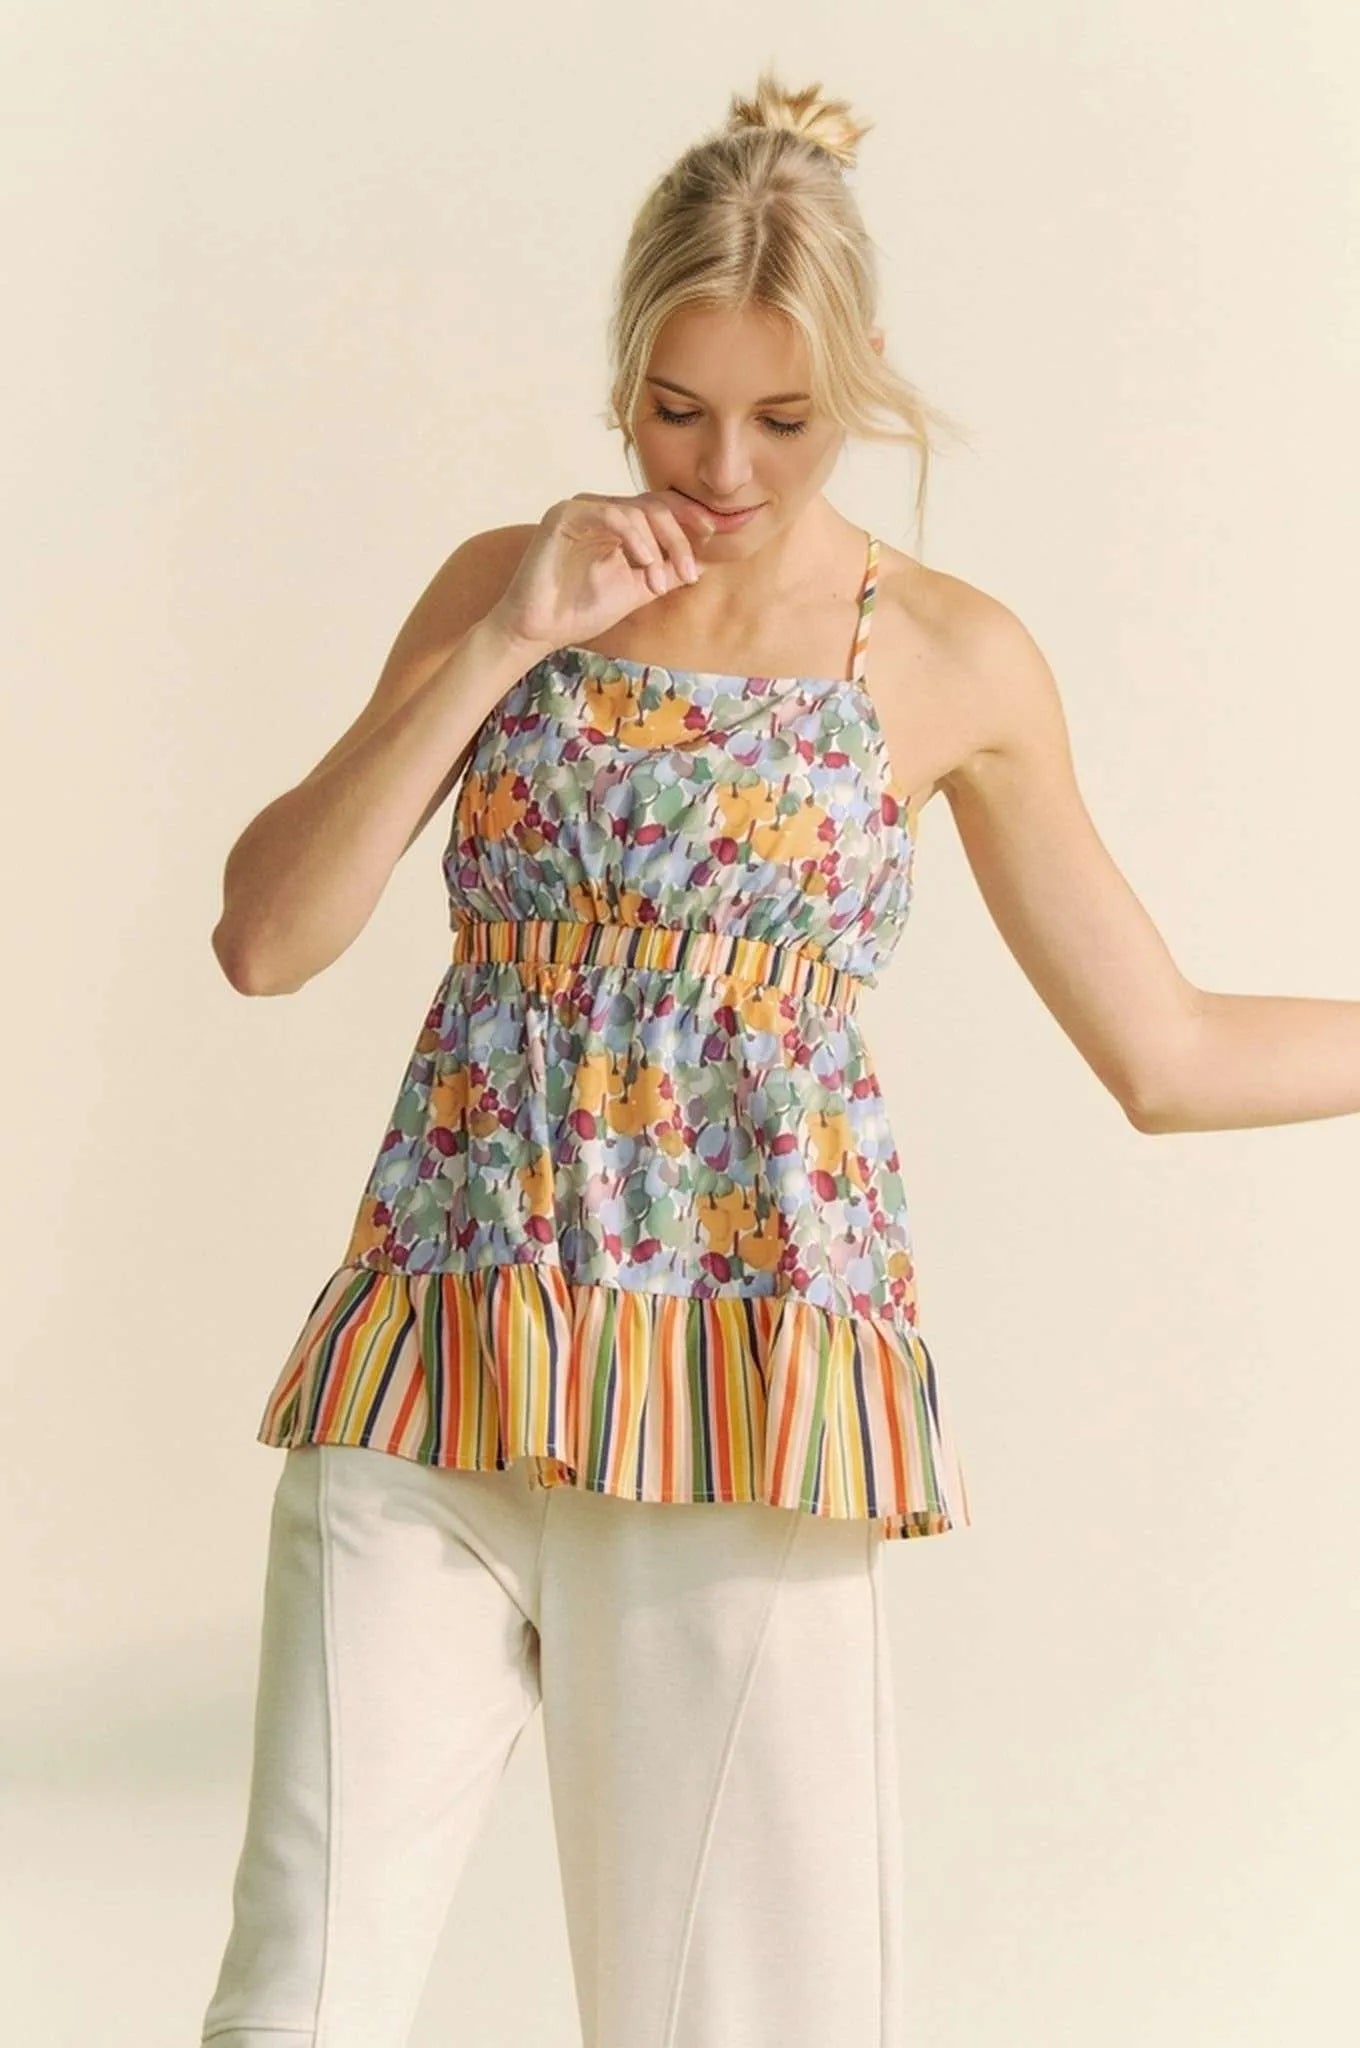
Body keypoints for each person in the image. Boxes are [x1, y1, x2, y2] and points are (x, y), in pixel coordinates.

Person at [198, 63, 1360, 2048]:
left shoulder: (949, 659)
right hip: (438, 1354)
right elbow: (265, 937)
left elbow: (1161, 1050)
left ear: (859, 380)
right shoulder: (504, 590)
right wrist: (505, 639)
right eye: (673, 408)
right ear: (621, 372)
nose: (721, 466)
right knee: (292, 2002)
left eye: (783, 419)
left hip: (741, 1398)